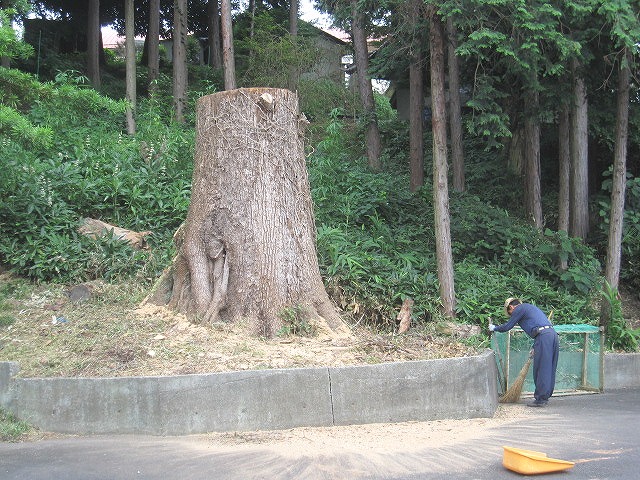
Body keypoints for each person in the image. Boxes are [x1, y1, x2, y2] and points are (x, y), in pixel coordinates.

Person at [489, 297, 559, 407]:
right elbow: (538, 327)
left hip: (544, 337)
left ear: (511, 307)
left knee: (541, 368)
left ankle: (541, 400)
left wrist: (495, 328)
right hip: (551, 335)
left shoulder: (519, 309)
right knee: (549, 366)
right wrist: (534, 346)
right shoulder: (528, 308)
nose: (512, 315)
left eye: (510, 312)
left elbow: (508, 326)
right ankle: (545, 396)